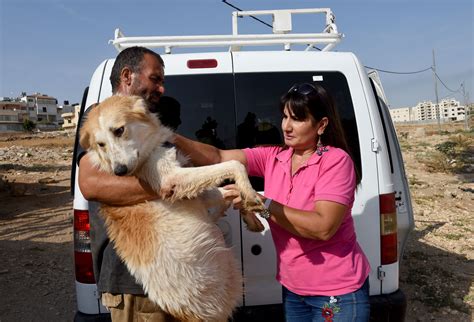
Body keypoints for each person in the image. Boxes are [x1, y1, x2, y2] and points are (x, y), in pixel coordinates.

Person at [174, 82, 371, 321]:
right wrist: (168, 136)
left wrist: (260, 201)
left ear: (321, 125)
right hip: (293, 289)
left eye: (297, 119)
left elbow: (323, 228)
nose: (286, 126)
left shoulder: (335, 162)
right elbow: (218, 157)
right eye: (285, 116)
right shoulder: (275, 157)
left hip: (336, 293)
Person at [78, 46, 181, 321]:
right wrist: (173, 185)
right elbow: (91, 184)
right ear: (127, 76)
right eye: (155, 79)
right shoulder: (100, 119)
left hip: (174, 270)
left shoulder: (145, 122)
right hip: (135, 279)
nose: (161, 88)